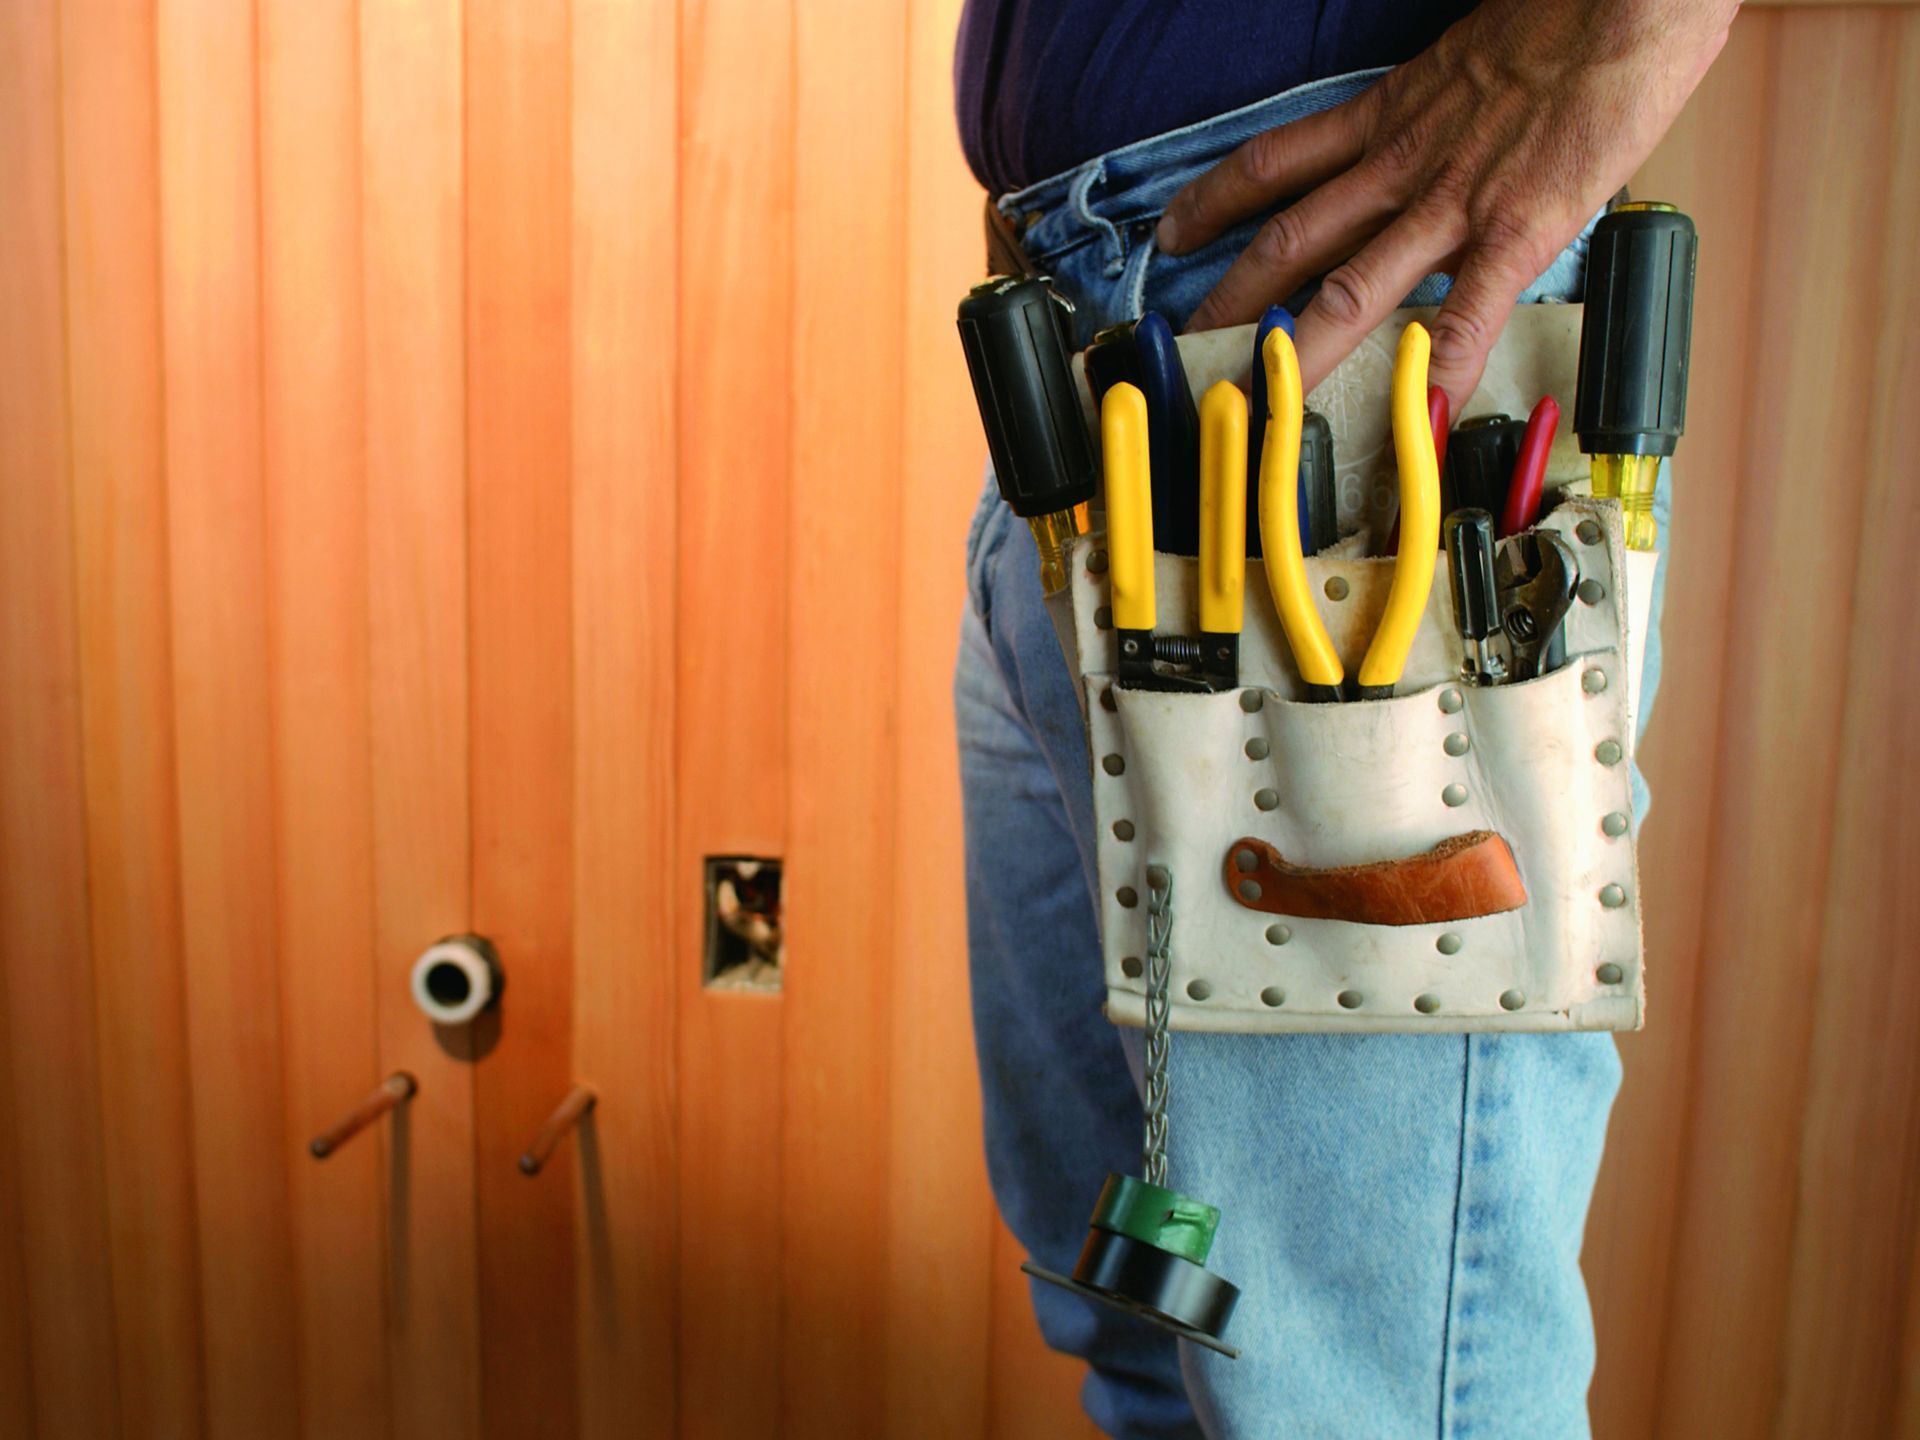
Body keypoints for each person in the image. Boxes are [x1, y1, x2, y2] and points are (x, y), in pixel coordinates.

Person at [952, 2, 1734, 1435]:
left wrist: (1615, 45)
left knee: (1358, 1403)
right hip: (1075, 394)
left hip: (1367, 318)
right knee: (1147, 1345)